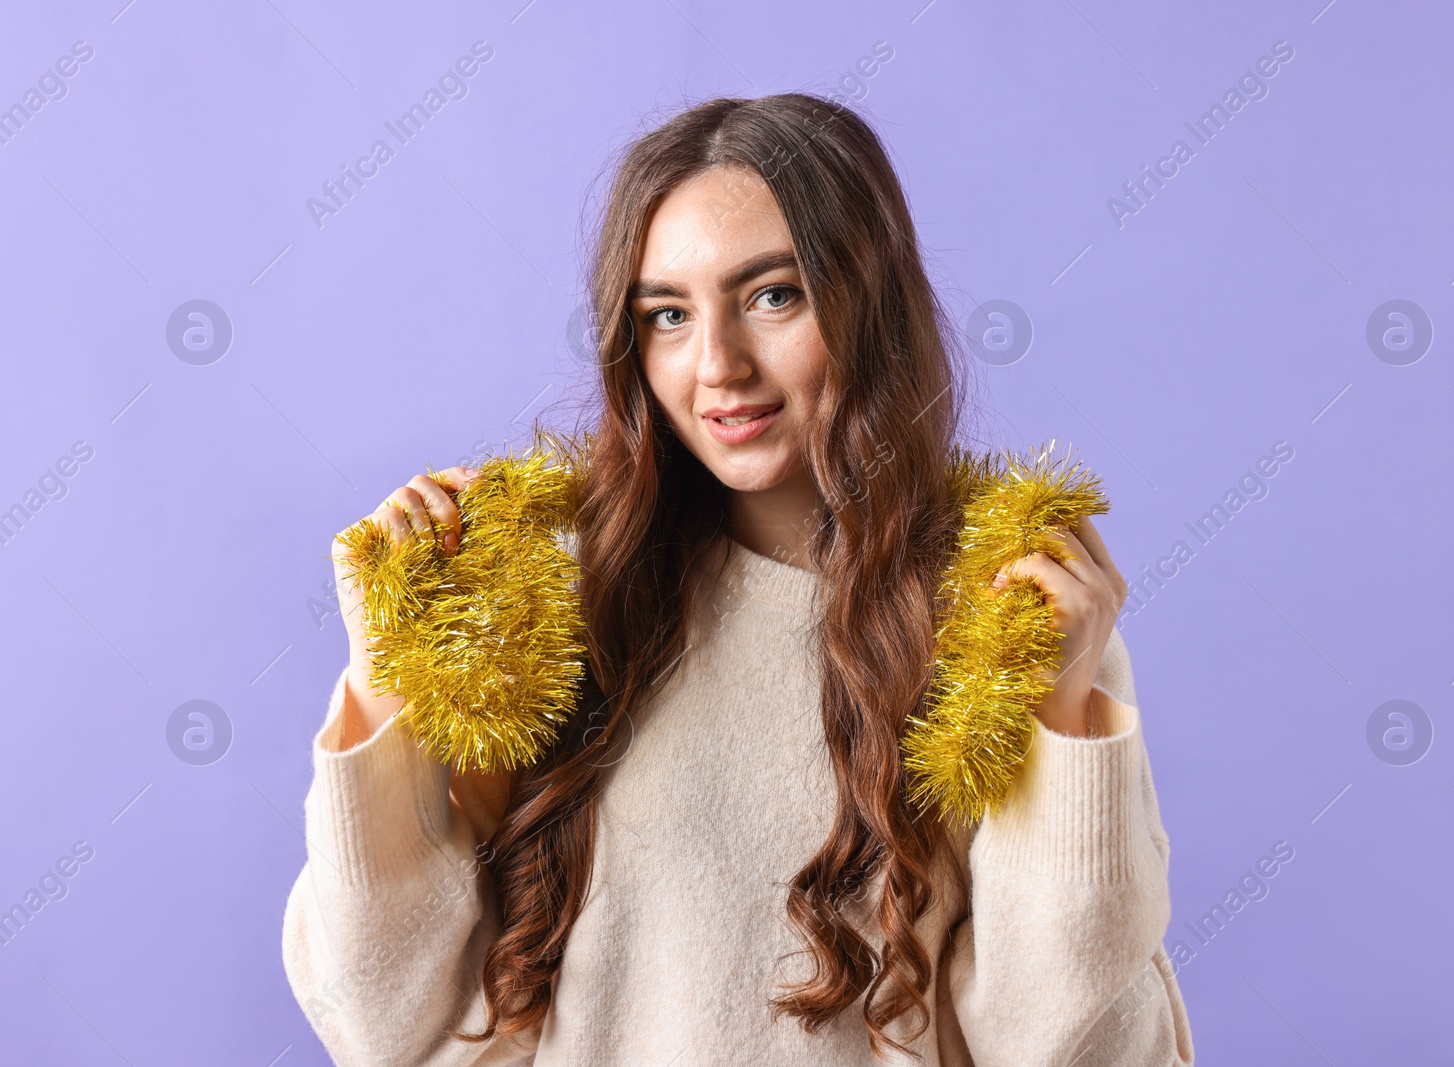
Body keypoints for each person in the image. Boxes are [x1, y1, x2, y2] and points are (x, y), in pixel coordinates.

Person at [281, 91, 1195, 1066]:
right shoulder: (541, 602)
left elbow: (1084, 1049)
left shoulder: (1002, 616)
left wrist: (1063, 714)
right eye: (667, 315)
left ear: (867, 300)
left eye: (772, 295)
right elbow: (382, 1021)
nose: (716, 364)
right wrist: (383, 680)